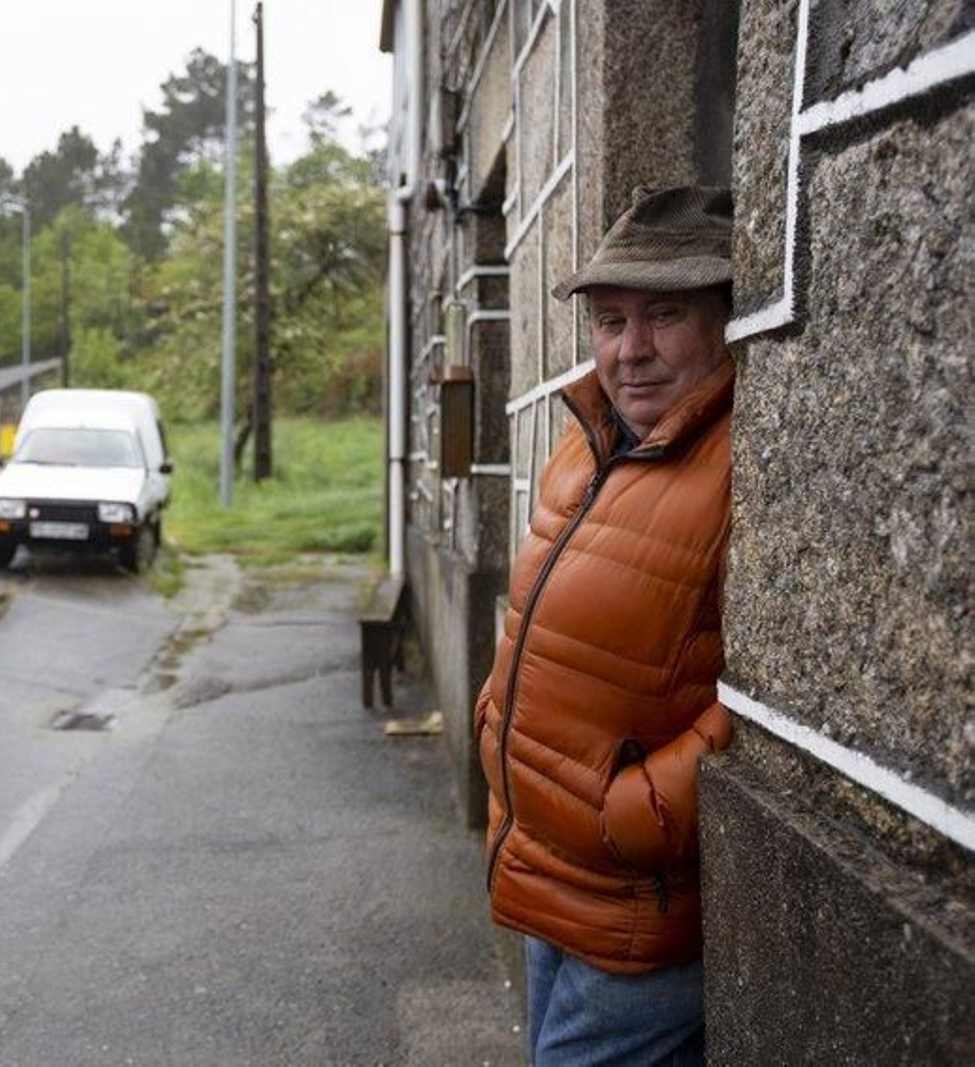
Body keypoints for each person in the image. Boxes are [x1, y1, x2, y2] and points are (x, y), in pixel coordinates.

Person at [474, 185, 737, 1065]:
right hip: (545, 861)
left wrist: (630, 812)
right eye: (611, 319)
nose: (631, 351)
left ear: (725, 322)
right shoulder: (591, 437)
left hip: (632, 897)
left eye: (665, 314)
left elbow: (772, 698)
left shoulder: (744, 460)